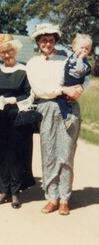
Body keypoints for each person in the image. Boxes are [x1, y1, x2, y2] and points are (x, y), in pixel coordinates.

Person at [26, 23, 84, 215]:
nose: (47, 43)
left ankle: (65, 198)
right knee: (49, 153)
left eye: (51, 39)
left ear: (56, 40)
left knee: (66, 154)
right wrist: (61, 89)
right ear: (38, 42)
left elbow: (84, 76)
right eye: (43, 40)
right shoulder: (33, 63)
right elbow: (39, 89)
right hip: (46, 107)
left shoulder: (67, 57)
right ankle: (52, 197)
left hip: (68, 107)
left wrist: (79, 89)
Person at [0, 34, 36, 209]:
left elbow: (30, 94)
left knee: (16, 154)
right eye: (3, 52)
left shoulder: (24, 70)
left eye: (9, 51)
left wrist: (12, 100)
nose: (6, 55)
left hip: (17, 117)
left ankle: (15, 192)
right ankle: (5, 189)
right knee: (1, 153)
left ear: (15, 50)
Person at [57, 33, 92, 129]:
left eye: (87, 49)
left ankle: (69, 119)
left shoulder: (85, 63)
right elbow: (65, 69)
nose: (84, 50)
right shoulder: (70, 57)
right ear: (74, 48)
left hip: (76, 86)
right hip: (66, 84)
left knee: (70, 102)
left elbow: (79, 70)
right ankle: (67, 118)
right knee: (61, 101)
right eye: (82, 48)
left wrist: (80, 58)